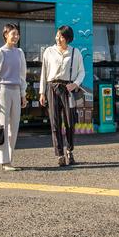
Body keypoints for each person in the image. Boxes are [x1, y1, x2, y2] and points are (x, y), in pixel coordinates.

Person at [39, 25, 85, 167]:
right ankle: (59, 154)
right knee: (55, 122)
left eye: (62, 37)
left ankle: (70, 151)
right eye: (57, 35)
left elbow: (82, 72)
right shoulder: (49, 51)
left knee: (70, 121)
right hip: (52, 87)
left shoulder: (75, 52)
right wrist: (42, 92)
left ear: (68, 38)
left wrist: (75, 84)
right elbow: (44, 72)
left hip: (68, 89)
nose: (58, 39)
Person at [0, 23, 27, 171]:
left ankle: (9, 159)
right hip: (2, 90)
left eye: (17, 34)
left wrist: (23, 94)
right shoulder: (0, 52)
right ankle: (4, 161)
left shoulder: (20, 53)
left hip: (16, 90)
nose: (16, 37)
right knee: (3, 127)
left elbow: (22, 75)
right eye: (13, 34)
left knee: (14, 127)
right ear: (5, 35)